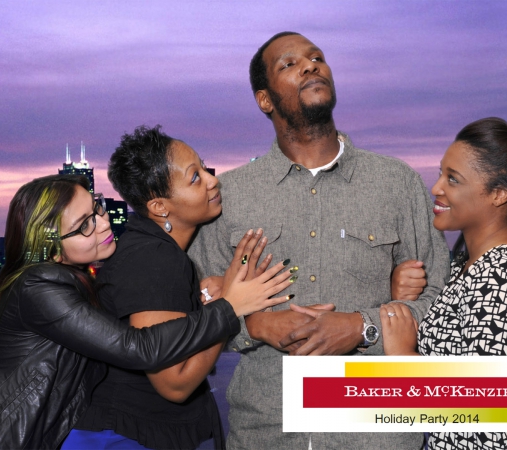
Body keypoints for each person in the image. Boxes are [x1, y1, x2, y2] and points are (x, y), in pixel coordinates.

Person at [188, 32, 451, 449]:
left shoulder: (395, 183)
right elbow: (195, 308)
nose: (310, 65)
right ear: (265, 100)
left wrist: (361, 326)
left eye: (317, 58)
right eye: (289, 64)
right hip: (265, 434)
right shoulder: (231, 195)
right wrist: (254, 326)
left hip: (376, 435)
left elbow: (440, 299)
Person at [0, 174, 292, 450]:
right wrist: (230, 307)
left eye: (96, 208)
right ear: (49, 247)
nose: (102, 223)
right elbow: (138, 348)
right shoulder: (38, 287)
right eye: (84, 225)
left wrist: (200, 296)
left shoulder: (70, 278)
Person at [66, 126, 294, 449]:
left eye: (204, 167)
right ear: (160, 207)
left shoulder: (151, 248)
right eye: (195, 178)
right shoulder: (155, 258)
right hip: (124, 439)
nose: (213, 179)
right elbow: (175, 384)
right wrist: (230, 304)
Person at [380, 117, 507, 449]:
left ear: (499, 195)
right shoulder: (468, 266)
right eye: (441, 174)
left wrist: (403, 357)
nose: (436, 188)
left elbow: (487, 402)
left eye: (453, 179)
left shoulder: (504, 274)